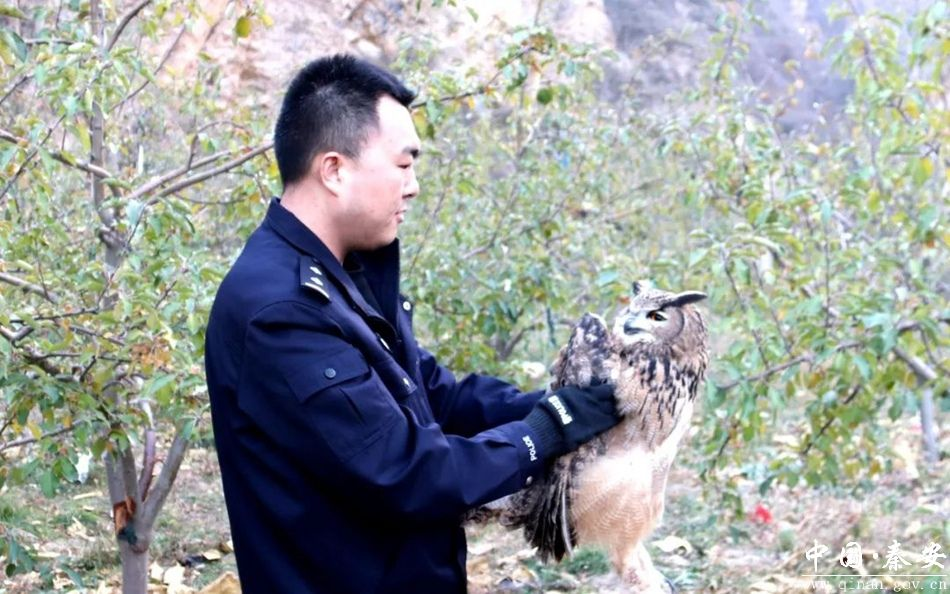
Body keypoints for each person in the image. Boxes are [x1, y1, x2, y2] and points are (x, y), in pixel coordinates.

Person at [204, 54, 621, 594]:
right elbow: (404, 470)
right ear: (334, 170)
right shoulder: (280, 308)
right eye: (404, 165)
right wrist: (546, 430)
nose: (414, 186)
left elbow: (434, 397)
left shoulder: (343, 278)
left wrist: (565, 403)